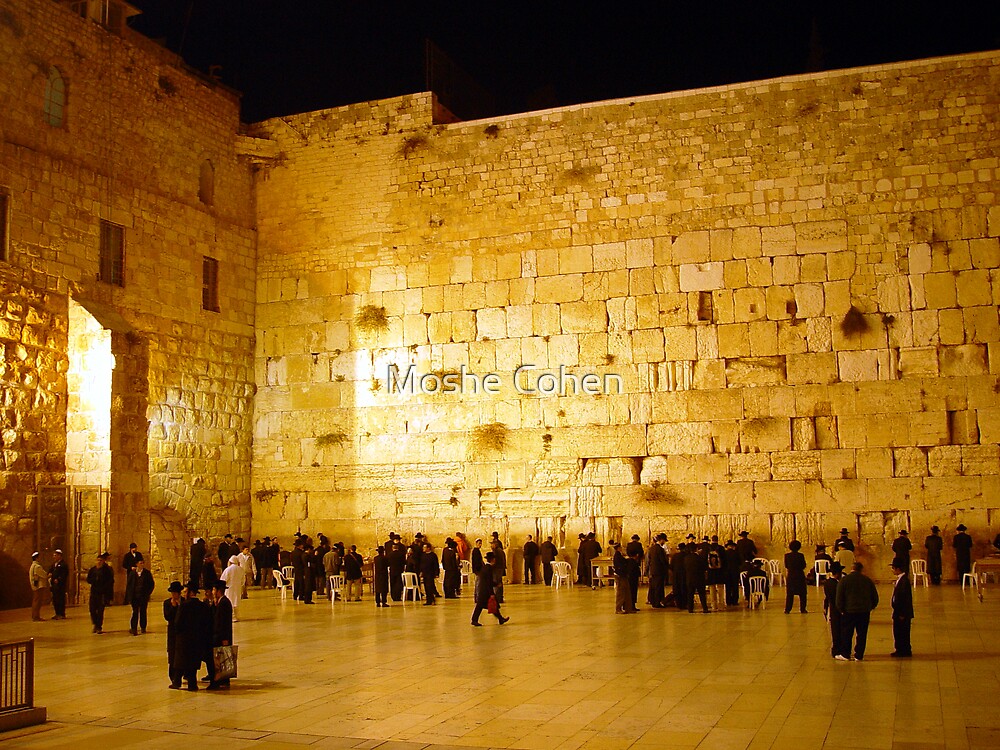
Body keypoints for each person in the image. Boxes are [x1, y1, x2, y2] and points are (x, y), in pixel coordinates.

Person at [835, 562, 879, 661]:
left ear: (852, 568)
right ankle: (859, 655)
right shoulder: (867, 580)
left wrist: (841, 610)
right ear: (861, 569)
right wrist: (869, 607)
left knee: (847, 633)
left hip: (848, 611)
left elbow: (839, 598)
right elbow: (875, 598)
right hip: (864, 611)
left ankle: (845, 654)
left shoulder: (844, 580)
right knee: (862, 634)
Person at [171, 581, 204, 690]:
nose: (183, 594)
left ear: (190, 593)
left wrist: (178, 632)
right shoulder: (201, 605)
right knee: (192, 663)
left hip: (184, 638)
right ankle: (192, 684)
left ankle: (177, 682)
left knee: (181, 661)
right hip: (196, 638)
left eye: (185, 592)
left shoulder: (184, 605)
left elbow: (177, 622)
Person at [471, 551, 508, 626]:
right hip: (485, 591)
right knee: (485, 605)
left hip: (483, 590)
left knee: (491, 606)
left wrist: (496, 585)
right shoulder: (488, 568)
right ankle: (474, 620)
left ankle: (500, 619)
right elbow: (488, 582)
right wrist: (492, 592)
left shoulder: (485, 567)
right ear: (493, 559)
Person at [209, 580, 234, 689]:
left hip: (223, 636)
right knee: (219, 657)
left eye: (214, 590)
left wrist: (225, 638)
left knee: (223, 657)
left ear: (218, 591)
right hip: (218, 635)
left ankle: (223, 679)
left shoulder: (224, 603)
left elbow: (224, 622)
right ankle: (221, 678)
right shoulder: (219, 602)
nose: (213, 592)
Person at [86, 552, 115, 634]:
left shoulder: (107, 570)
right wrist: (94, 580)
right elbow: (88, 579)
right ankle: (95, 623)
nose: (99, 562)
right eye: (98, 560)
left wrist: (108, 594)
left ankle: (99, 626)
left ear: (103, 561)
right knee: (92, 609)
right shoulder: (93, 570)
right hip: (94, 592)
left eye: (100, 560)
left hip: (102, 593)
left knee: (100, 610)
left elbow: (110, 581)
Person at [125, 558, 156, 635]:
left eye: (142, 563)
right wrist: (129, 596)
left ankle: (143, 627)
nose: (142, 564)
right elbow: (129, 585)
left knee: (143, 612)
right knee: (135, 612)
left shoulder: (147, 573)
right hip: (134, 596)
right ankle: (134, 628)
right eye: (140, 563)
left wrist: (148, 593)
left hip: (143, 596)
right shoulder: (132, 573)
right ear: (137, 564)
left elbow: (151, 584)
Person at [890, 560, 913, 657]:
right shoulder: (901, 580)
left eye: (893, 568)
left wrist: (902, 613)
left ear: (898, 569)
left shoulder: (904, 581)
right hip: (898, 612)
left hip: (902, 613)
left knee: (902, 632)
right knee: (898, 631)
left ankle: (904, 650)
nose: (892, 570)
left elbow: (905, 598)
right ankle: (900, 649)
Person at [822, 562, 845, 658]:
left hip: (832, 608)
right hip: (837, 609)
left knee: (836, 630)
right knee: (838, 630)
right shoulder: (835, 584)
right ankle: (837, 649)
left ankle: (837, 649)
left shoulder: (827, 583)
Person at [163, 581, 183, 687]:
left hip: (182, 632)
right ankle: (173, 677)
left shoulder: (184, 602)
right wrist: (173, 607)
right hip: (172, 633)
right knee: (172, 655)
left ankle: (181, 675)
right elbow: (167, 617)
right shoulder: (167, 603)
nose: (173, 595)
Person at [784, 540, 808, 614]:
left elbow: (786, 565)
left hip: (791, 576)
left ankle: (787, 609)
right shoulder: (801, 555)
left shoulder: (787, 556)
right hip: (800, 575)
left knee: (790, 594)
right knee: (802, 594)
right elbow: (803, 565)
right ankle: (802, 609)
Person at [612, 543, 637, 614]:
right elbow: (620, 566)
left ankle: (628, 608)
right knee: (621, 593)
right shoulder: (617, 556)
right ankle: (618, 608)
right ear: (618, 548)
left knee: (627, 592)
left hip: (624, 575)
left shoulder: (619, 555)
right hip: (620, 576)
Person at [684, 543, 709, 613]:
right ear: (696, 549)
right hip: (699, 578)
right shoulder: (700, 558)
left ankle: (690, 608)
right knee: (702, 594)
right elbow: (704, 567)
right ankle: (705, 608)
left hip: (689, 578)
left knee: (690, 594)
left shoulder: (686, 558)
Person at [647, 534, 668, 608]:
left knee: (653, 586)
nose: (664, 542)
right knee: (659, 587)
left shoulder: (651, 548)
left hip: (653, 570)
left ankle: (653, 601)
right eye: (664, 541)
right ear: (661, 540)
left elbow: (649, 560)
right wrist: (667, 568)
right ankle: (657, 603)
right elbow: (663, 561)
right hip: (659, 571)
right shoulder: (660, 549)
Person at [48, 549, 69, 619]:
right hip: (54, 585)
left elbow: (64, 574)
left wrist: (59, 579)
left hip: (60, 585)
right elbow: (50, 571)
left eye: (55, 555)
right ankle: (57, 613)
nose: (54, 557)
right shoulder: (53, 565)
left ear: (59, 556)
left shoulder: (63, 564)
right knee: (55, 599)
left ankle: (61, 613)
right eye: (53, 555)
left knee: (60, 599)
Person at [29, 552, 48, 622]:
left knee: (35, 601)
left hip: (35, 586)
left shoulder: (32, 566)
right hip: (39, 586)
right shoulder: (37, 567)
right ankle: (36, 616)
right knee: (37, 602)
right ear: (37, 558)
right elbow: (44, 575)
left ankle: (35, 616)